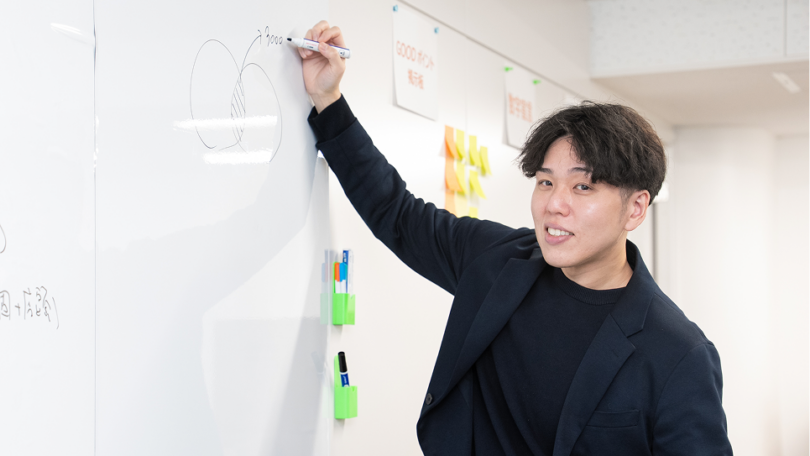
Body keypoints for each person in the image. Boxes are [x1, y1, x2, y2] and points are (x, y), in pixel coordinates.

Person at [298, 21, 731, 456]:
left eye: (583, 186)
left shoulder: (678, 353)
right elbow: (397, 212)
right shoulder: (497, 261)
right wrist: (327, 99)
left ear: (635, 208)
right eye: (546, 182)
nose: (554, 204)